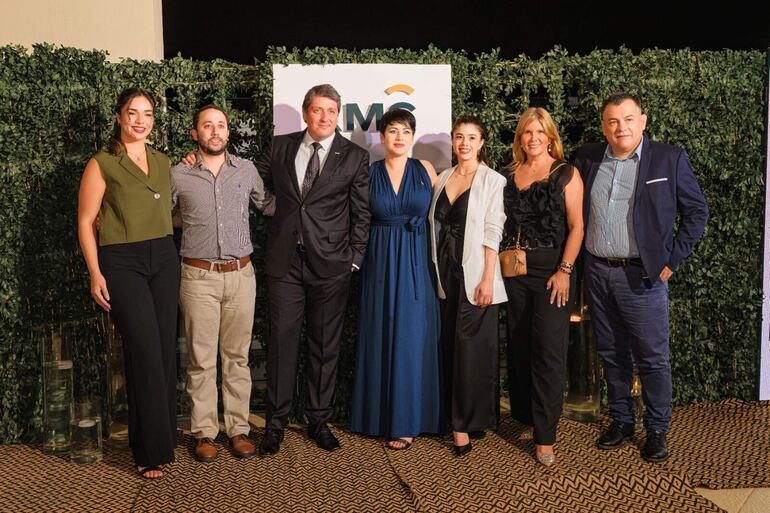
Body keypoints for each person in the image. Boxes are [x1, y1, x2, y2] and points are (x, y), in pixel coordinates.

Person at [574, 92, 708, 463]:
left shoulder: (669, 158)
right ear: (603, 125)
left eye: (628, 119)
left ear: (643, 121)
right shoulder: (586, 159)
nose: (621, 127)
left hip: (642, 278)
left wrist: (672, 259)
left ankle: (657, 429)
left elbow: (697, 212)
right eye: (613, 121)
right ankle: (620, 420)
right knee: (611, 354)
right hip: (598, 273)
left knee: (652, 359)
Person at [256, 84, 371, 456]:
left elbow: (361, 212)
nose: (324, 117)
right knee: (282, 343)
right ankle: (275, 425)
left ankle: (318, 421)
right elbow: (247, 179)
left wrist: (354, 257)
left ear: (339, 116)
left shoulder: (354, 155)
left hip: (332, 265)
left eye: (331, 111)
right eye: (318, 110)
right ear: (306, 113)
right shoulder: (280, 146)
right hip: (285, 262)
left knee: (324, 346)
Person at [77, 88, 179, 479]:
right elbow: (86, 221)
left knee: (165, 351)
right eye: (132, 113)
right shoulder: (102, 162)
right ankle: (151, 452)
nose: (140, 120)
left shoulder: (163, 160)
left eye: (148, 114)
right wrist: (95, 273)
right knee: (145, 350)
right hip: (122, 262)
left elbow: (166, 210)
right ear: (119, 117)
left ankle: (158, 438)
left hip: (164, 257)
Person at [171, 105, 275, 462]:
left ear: (228, 133)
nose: (215, 131)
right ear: (194, 133)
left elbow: (268, 205)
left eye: (221, 125)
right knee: (200, 360)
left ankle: (238, 429)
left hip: (241, 276)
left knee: (237, 357)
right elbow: (162, 218)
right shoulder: (178, 173)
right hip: (197, 277)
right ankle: (204, 432)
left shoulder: (245, 170)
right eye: (207, 125)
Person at [350, 109, 441, 450]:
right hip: (379, 260)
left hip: (417, 260)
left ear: (413, 137)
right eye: (392, 131)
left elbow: (445, 218)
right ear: (381, 137)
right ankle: (377, 418)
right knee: (381, 332)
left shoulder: (426, 171)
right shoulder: (369, 173)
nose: (399, 137)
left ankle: (410, 419)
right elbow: (357, 218)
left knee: (412, 337)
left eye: (405, 131)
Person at [502, 107, 584, 467]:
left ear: (550, 136)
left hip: (552, 274)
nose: (533, 138)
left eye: (539, 132)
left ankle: (545, 437)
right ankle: (525, 416)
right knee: (519, 346)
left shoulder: (566, 174)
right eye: (526, 133)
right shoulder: (508, 175)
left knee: (549, 351)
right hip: (514, 273)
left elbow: (577, 226)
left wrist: (565, 270)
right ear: (520, 138)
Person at [429, 115, 507, 457]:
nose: (464, 143)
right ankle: (462, 418)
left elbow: (493, 230)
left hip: (475, 273)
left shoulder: (493, 180)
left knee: (472, 350)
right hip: (442, 272)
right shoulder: (443, 177)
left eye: (471, 137)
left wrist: (488, 278)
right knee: (448, 346)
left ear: (481, 142)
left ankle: (462, 427)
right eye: (459, 136)